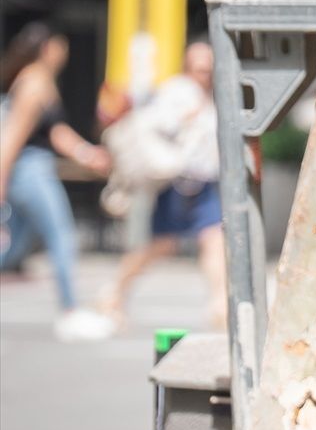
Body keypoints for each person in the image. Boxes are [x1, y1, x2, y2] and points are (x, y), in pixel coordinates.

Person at [0, 25, 115, 341]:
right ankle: (70, 311)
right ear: (48, 48)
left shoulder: (40, 81)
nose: (64, 54)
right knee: (61, 236)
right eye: (60, 47)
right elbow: (13, 136)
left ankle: (71, 310)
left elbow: (54, 131)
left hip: (31, 169)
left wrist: (87, 154)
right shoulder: (34, 82)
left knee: (12, 252)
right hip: (29, 171)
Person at [99, 41, 224, 330]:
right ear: (188, 66)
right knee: (161, 245)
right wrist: (186, 117)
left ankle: (219, 305)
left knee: (214, 240)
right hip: (177, 181)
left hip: (204, 182)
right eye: (199, 67)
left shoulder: (214, 95)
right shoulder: (177, 91)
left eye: (208, 68)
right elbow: (155, 125)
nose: (204, 73)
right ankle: (115, 290)